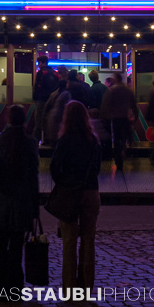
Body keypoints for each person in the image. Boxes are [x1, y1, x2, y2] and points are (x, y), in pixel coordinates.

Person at [50, 101, 102, 291]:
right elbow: (97, 168)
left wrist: (64, 183)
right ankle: (87, 287)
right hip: (90, 192)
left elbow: (54, 167)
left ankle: (69, 287)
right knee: (89, 240)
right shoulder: (93, 140)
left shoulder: (65, 140)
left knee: (69, 241)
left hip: (70, 192)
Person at [0, 104, 40, 292]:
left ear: (8, 119)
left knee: (0, 244)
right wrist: (35, 205)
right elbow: (33, 174)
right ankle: (15, 286)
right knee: (17, 245)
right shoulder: (30, 141)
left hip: (2, 197)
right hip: (22, 198)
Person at [100, 72, 136, 172]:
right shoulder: (127, 90)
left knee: (116, 140)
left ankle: (118, 160)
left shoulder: (111, 90)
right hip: (125, 118)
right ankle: (124, 150)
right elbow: (133, 104)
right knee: (123, 138)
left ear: (115, 79)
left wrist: (104, 118)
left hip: (115, 119)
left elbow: (105, 105)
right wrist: (135, 116)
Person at [33, 56, 59, 145]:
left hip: (41, 100)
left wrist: (35, 98)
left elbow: (37, 88)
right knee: (49, 121)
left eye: (39, 63)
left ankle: (35, 142)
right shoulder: (55, 73)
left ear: (42, 63)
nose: (38, 65)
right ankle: (48, 141)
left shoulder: (41, 73)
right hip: (51, 101)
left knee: (39, 122)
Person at [45, 78, 71, 148]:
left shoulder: (54, 94)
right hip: (61, 118)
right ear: (66, 85)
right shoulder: (66, 94)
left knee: (53, 142)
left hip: (52, 116)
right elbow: (68, 106)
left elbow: (47, 106)